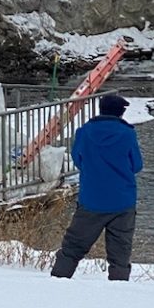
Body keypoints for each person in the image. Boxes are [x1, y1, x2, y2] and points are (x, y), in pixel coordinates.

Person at [51, 93, 143, 282]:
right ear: (121, 113)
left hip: (91, 199)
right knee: (120, 252)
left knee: (73, 246)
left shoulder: (84, 132)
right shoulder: (127, 133)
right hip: (122, 200)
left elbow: (78, 159)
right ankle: (119, 288)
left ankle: (58, 282)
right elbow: (136, 165)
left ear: (101, 110)